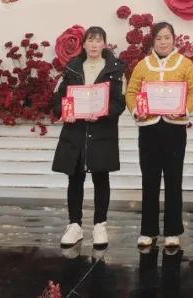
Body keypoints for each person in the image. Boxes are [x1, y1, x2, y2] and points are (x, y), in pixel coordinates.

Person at [125, 21, 193, 251]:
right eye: (159, 38)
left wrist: (184, 109)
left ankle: (172, 231)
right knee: (149, 180)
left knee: (173, 179)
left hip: (174, 128)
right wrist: (136, 111)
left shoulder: (185, 63)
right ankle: (147, 230)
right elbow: (131, 91)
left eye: (167, 37)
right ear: (153, 40)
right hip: (148, 129)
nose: (163, 42)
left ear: (174, 39)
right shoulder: (143, 65)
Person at [51, 25, 126, 248]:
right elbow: (58, 98)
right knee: (75, 178)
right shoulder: (71, 68)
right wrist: (65, 112)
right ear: (83, 44)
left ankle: (100, 225)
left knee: (101, 178)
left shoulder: (115, 69)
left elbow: (119, 102)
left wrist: (103, 113)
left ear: (105, 44)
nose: (94, 44)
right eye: (90, 40)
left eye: (98, 40)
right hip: (75, 131)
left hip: (102, 131)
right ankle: (74, 225)